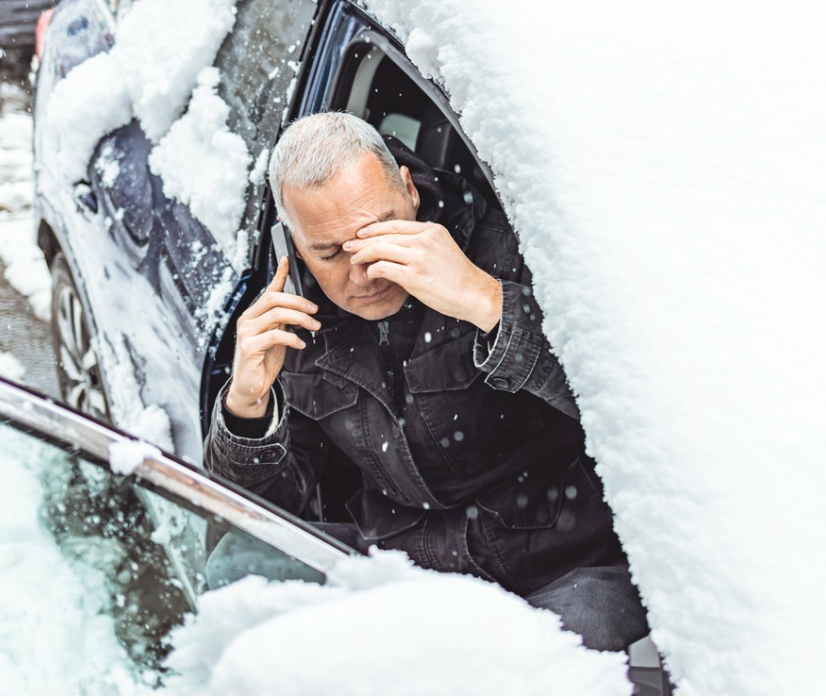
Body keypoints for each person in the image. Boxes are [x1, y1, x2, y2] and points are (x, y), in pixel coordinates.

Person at [205, 111, 648, 651]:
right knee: (240, 567)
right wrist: (246, 407)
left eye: (377, 234)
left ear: (409, 192)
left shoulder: (510, 246)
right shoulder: (293, 321)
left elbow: (635, 398)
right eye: (330, 253)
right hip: (397, 569)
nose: (364, 273)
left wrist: (488, 302)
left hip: (556, 566)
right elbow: (271, 516)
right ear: (294, 246)